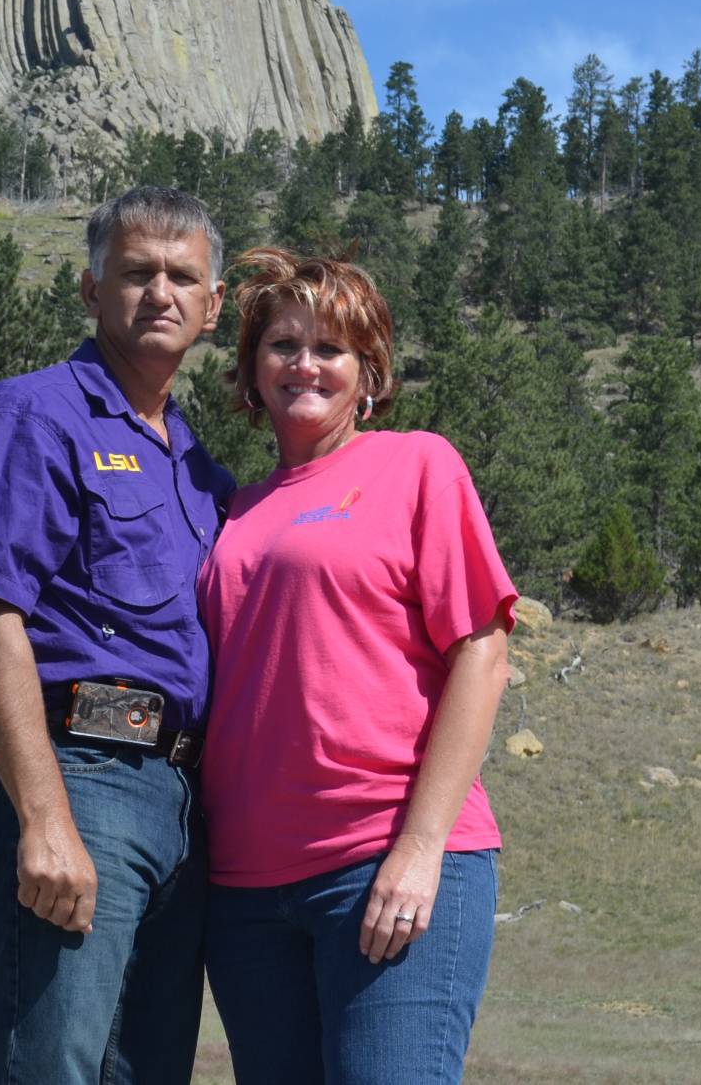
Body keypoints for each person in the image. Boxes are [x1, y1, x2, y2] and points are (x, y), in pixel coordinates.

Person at [0, 185, 237, 1085]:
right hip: (84, 778)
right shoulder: (34, 418)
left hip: (178, 798)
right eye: (136, 272)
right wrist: (44, 817)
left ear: (213, 306)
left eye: (183, 277)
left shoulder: (198, 471)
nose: (161, 294)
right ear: (90, 288)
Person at [197, 247, 517, 1084]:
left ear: (367, 372)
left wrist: (419, 848)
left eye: (330, 348)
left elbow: (481, 652)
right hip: (244, 892)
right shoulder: (231, 507)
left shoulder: (416, 465)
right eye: (282, 344)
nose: (304, 363)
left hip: (381, 857)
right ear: (253, 370)